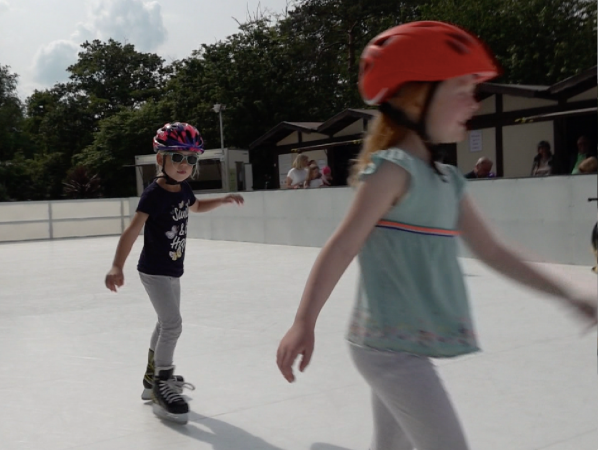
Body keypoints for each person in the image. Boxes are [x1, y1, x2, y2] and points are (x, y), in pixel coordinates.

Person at [275, 21, 597, 450]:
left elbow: (494, 251)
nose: (474, 103)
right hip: (388, 352)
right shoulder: (392, 169)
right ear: (417, 97)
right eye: (462, 89)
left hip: (408, 347)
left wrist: (569, 293)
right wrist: (303, 322)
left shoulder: (448, 179)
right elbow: (344, 244)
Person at [105, 122, 243, 425]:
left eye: (191, 159)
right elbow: (132, 231)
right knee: (173, 324)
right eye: (177, 157)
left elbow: (195, 207)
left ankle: (151, 379)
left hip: (173, 268)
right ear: (160, 159)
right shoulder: (153, 194)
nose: (185, 165)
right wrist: (117, 264)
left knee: (164, 323)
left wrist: (220, 200)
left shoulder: (183, 188)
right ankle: (162, 383)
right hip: (153, 270)